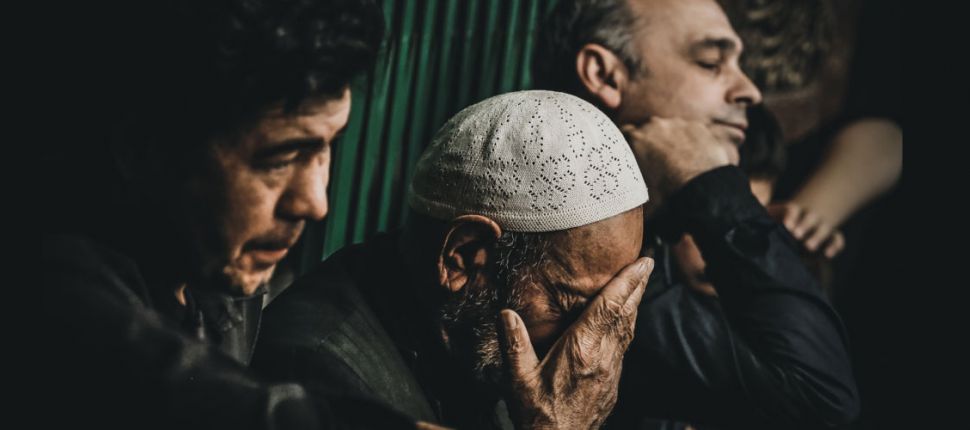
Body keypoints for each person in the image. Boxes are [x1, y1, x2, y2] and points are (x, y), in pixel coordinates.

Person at [41, 0, 416, 428]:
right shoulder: (58, 285)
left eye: (326, 147)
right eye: (281, 159)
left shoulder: (224, 272)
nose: (315, 202)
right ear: (144, 148)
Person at [532, 0, 858, 427]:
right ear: (604, 74)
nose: (750, 91)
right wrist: (712, 185)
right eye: (710, 63)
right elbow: (822, 399)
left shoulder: (645, 236)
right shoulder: (575, 263)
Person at [253, 90, 655, 429]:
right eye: (575, 306)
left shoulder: (476, 343)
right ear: (463, 257)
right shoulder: (314, 376)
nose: (594, 356)